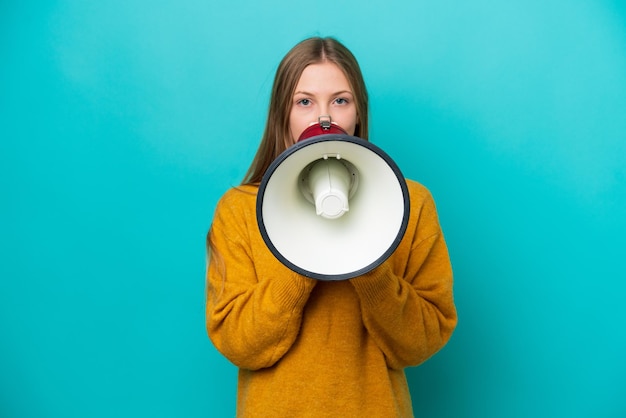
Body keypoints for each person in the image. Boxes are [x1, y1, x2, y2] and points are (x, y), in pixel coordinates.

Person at [205, 36, 457, 417]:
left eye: (341, 100)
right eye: (304, 102)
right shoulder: (239, 211)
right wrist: (303, 253)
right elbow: (239, 343)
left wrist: (370, 264)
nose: (325, 118)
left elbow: (420, 342)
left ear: (358, 111)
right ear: (282, 114)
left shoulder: (409, 204)